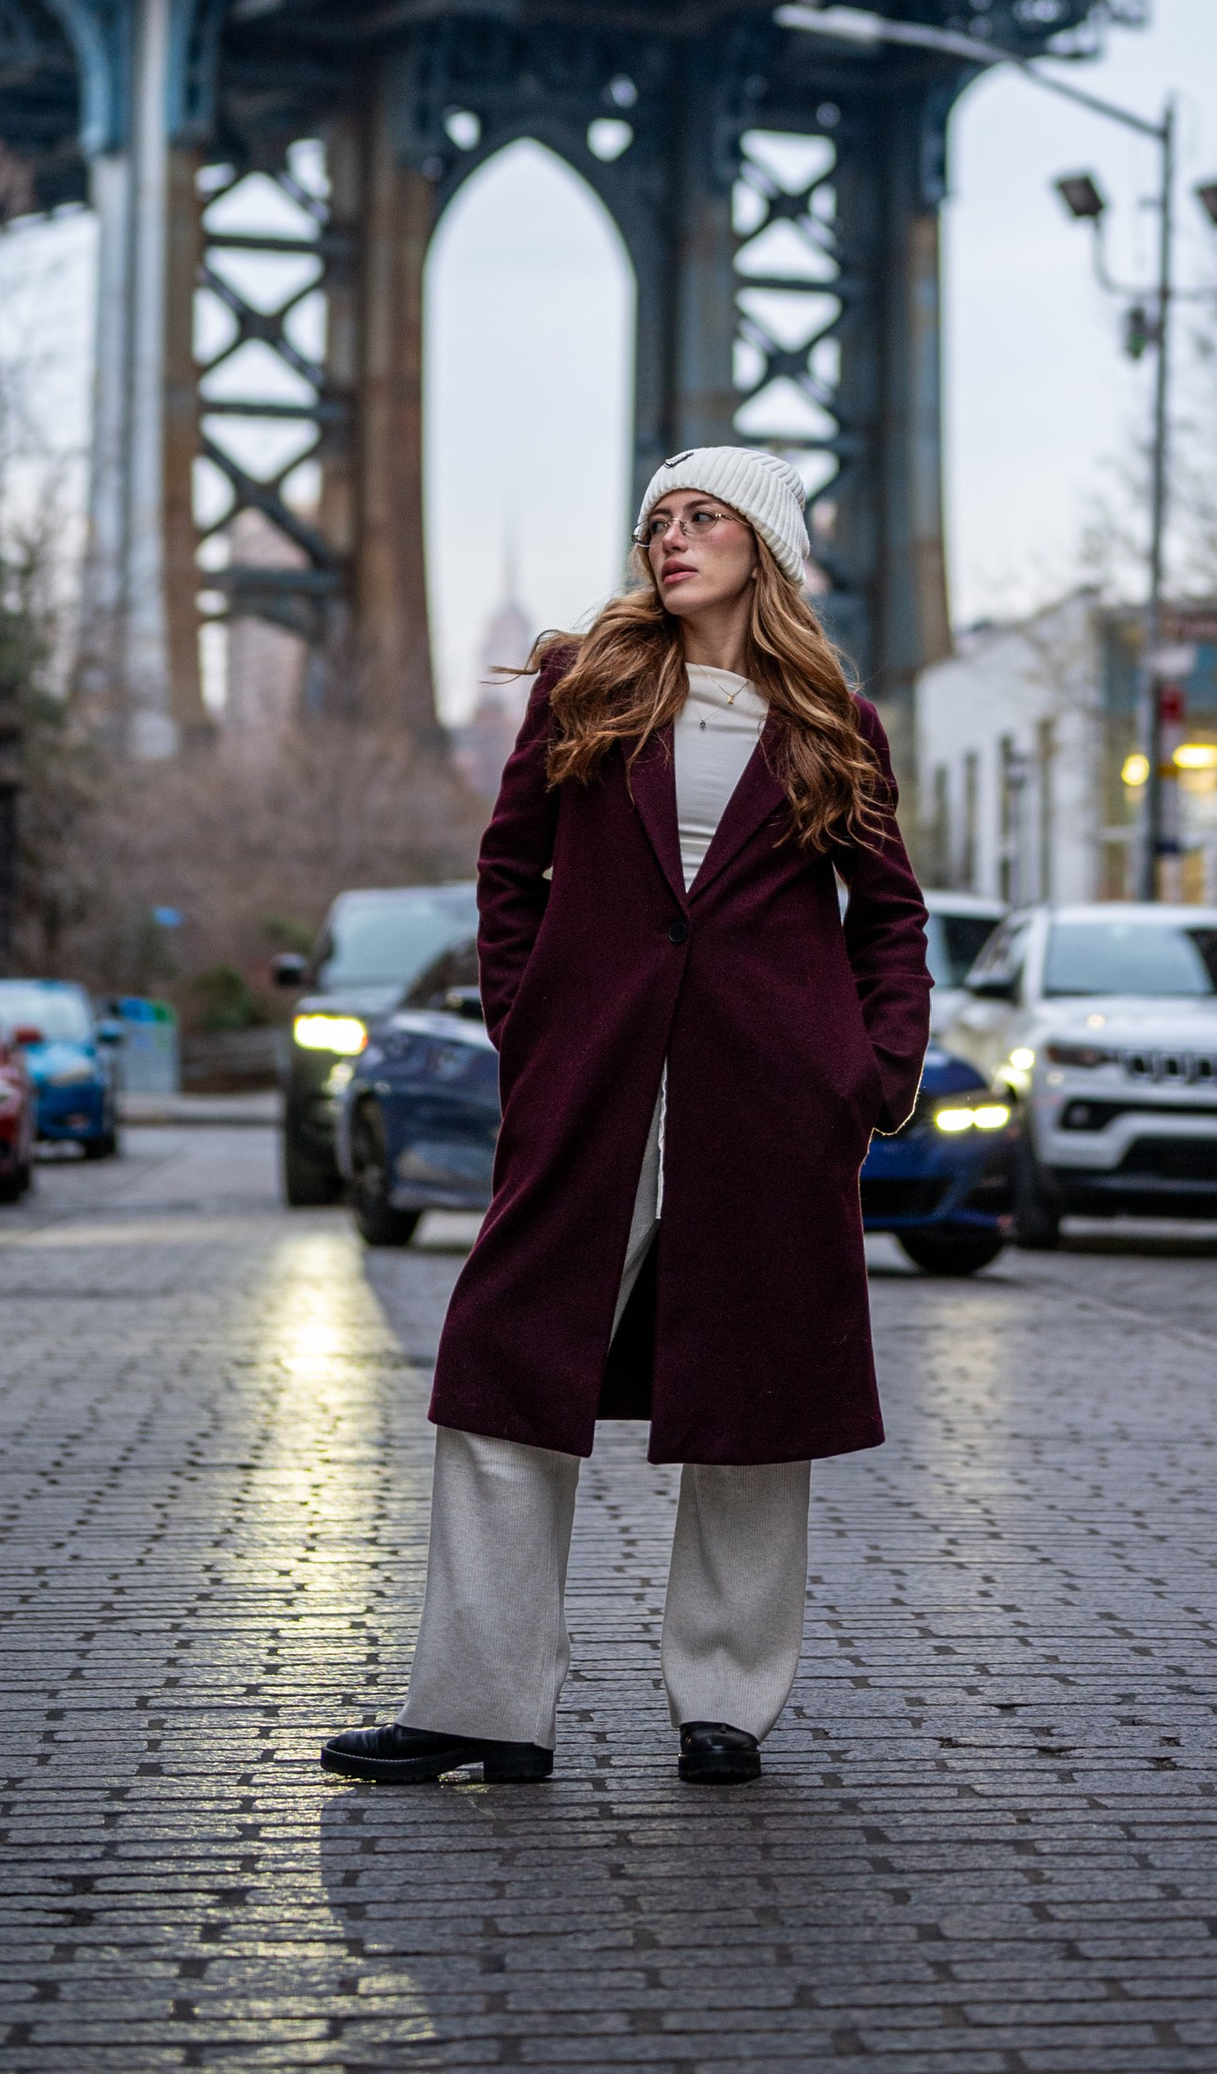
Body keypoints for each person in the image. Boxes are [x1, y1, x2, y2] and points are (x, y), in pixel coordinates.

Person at [322, 443, 931, 1790]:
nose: (670, 538)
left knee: (758, 1398)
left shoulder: (836, 718)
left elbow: (889, 918)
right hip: (592, 1085)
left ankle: (727, 1701)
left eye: (702, 517)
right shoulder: (584, 685)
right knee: (500, 1367)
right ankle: (483, 1704)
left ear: (760, 545)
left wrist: (873, 1069)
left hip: (769, 1103)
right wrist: (530, 1027)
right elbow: (508, 869)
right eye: (657, 518)